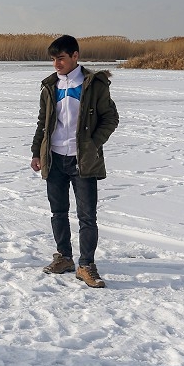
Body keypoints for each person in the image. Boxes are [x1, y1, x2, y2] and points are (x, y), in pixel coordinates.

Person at [31, 35, 119, 288]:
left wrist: (92, 144)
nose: (56, 64)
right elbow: (43, 123)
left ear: (75, 56)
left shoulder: (94, 84)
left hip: (83, 161)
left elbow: (110, 118)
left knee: (87, 216)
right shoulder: (50, 86)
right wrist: (36, 152)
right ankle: (64, 257)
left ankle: (86, 265)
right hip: (54, 159)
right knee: (58, 212)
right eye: (53, 59)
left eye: (61, 58)